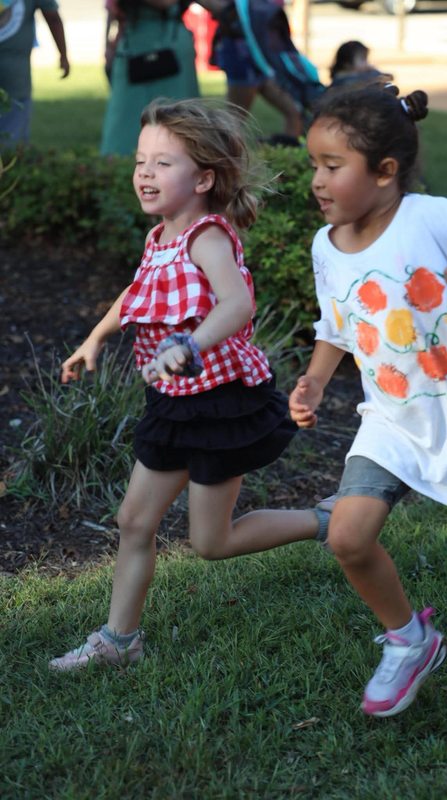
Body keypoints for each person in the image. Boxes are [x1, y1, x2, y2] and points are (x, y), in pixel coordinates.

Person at [49, 98, 330, 672]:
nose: (145, 174)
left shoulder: (207, 236)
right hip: (173, 403)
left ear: (204, 177)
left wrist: (188, 346)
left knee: (211, 542)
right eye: (140, 161)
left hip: (219, 404)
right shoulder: (159, 238)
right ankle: (119, 641)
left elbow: (237, 303)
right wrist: (96, 337)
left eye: (163, 164)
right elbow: (137, 294)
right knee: (134, 521)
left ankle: (331, 519)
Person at [289, 83, 447, 718]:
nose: (317, 180)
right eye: (313, 164)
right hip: (393, 421)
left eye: (332, 167)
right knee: (347, 536)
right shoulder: (326, 244)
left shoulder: (436, 220)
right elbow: (337, 325)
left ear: (386, 172)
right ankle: (409, 638)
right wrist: (315, 379)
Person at [101, 0, 200, 156]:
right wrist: (107, 44)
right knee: (126, 112)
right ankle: (123, 159)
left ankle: (181, 155)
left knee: (178, 108)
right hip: (135, 42)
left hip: (169, 41)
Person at [209, 0, 303, 143]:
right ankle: (224, 159)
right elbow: (220, 9)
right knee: (234, 121)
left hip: (266, 54)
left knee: (294, 111)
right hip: (242, 52)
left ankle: (287, 153)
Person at [0, 0, 69, 146]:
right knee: (12, 137)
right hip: (16, 76)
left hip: (15, 75)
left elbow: (53, 18)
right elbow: (53, 18)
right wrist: (63, 55)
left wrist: (63, 54)